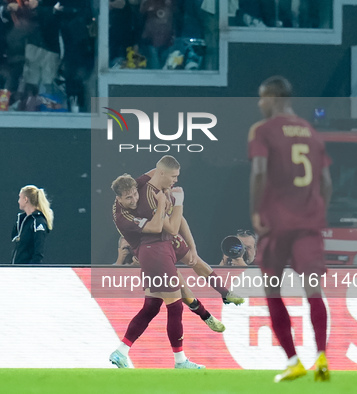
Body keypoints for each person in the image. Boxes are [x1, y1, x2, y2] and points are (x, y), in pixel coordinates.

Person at [248, 75, 332, 382]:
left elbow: (258, 172)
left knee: (272, 289)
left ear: (273, 98)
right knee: (313, 289)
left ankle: (294, 360)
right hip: (308, 224)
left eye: (262, 98)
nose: (260, 104)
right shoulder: (312, 133)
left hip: (277, 224)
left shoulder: (263, 131)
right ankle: (322, 357)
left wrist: (256, 212)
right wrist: (316, 211)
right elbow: (326, 182)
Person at [108, 172, 208, 370]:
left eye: (135, 194)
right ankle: (180, 361)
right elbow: (156, 226)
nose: (134, 199)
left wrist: (166, 182)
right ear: (118, 199)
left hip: (153, 256)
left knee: (151, 307)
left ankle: (121, 351)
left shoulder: (133, 188)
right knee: (175, 306)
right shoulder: (123, 218)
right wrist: (163, 200)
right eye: (128, 198)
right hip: (156, 257)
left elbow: (158, 170)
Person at [137, 158, 244, 306]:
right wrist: (179, 201)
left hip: (167, 238)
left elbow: (180, 220)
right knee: (176, 288)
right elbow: (173, 229)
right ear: (162, 174)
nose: (176, 180)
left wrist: (193, 248)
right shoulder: (150, 199)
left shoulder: (160, 183)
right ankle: (201, 313)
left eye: (177, 175)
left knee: (196, 261)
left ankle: (225, 294)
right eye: (173, 176)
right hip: (153, 246)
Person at [11, 185, 54, 264]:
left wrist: (32, 270)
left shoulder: (38, 222)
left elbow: (38, 252)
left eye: (20, 197)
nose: (18, 201)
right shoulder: (22, 219)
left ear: (26, 199)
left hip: (27, 271)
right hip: (17, 269)